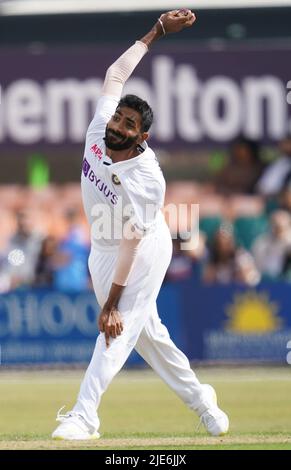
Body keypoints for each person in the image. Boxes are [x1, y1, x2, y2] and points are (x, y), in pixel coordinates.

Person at [52, 10, 229, 441]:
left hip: (143, 249)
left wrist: (112, 302)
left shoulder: (149, 179)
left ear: (142, 137)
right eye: (118, 119)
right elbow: (115, 75)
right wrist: (156, 33)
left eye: (128, 125)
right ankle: (205, 403)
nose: (117, 126)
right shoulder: (98, 131)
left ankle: (83, 418)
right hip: (103, 247)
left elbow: (133, 239)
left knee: (116, 329)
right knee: (150, 339)